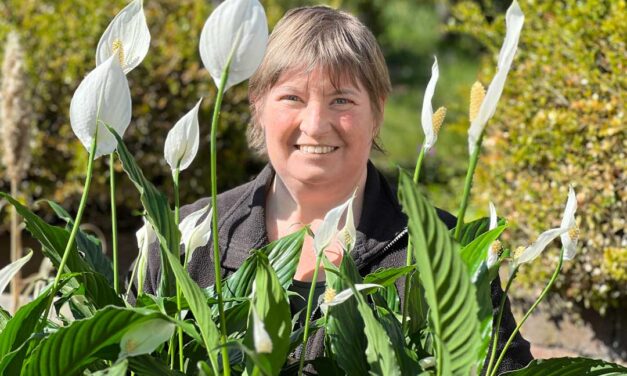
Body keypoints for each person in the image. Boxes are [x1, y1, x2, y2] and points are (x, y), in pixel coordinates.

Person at [135, 5, 533, 374]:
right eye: (292, 97)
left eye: (341, 100)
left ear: (377, 111)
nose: (315, 124)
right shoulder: (184, 240)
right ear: (258, 105)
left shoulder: (445, 251)